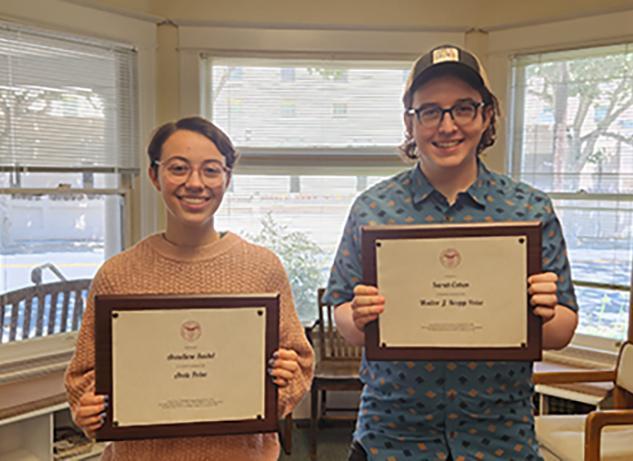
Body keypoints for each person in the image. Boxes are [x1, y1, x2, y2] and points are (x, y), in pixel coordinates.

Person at [323, 45, 578, 461]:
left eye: (463, 108)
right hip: (393, 435)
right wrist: (360, 314)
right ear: (410, 123)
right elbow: (344, 315)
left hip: (498, 437)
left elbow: (562, 330)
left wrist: (545, 312)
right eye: (430, 111)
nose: (447, 126)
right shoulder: (373, 210)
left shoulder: (529, 210)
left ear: (486, 115)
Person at [65, 116, 314, 461]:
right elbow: (84, 375)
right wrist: (90, 409)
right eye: (179, 168)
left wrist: (284, 383)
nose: (195, 183)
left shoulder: (262, 268)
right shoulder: (117, 274)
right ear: (154, 175)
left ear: (227, 179)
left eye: (211, 170)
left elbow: (299, 360)